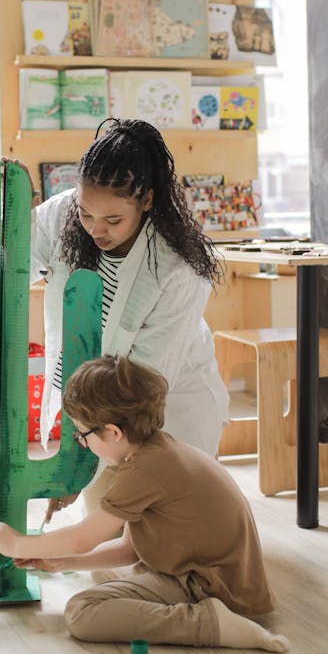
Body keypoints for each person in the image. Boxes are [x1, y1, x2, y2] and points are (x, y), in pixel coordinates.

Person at [0, 355, 288, 653]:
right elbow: (129, 549)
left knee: (81, 612)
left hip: (212, 587)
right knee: (110, 587)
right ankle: (209, 617)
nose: (83, 442)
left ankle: (207, 623)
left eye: (82, 434)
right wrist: (64, 563)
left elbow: (82, 538)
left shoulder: (145, 470)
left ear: (113, 432)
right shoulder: (155, 452)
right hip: (210, 579)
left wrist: (17, 545)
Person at [27, 117, 230, 465]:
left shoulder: (177, 268)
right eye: (86, 213)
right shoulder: (63, 214)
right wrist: (11, 209)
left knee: (156, 514)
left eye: (113, 220)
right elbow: (3, 266)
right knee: (104, 512)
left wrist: (84, 452)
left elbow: (146, 386)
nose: (95, 229)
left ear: (147, 200)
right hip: (97, 422)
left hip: (171, 414)